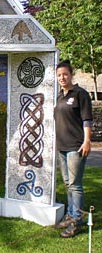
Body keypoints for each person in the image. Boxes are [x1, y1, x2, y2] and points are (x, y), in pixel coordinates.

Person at [54, 60, 92, 238]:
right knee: (68, 184)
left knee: (75, 185)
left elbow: (86, 120)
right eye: (59, 75)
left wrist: (87, 141)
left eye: (65, 74)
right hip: (62, 146)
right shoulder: (59, 96)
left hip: (76, 147)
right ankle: (70, 216)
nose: (62, 77)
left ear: (71, 75)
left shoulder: (80, 94)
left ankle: (76, 221)